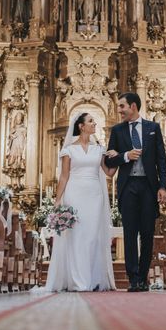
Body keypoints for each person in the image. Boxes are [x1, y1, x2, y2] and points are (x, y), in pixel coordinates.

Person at [44, 112, 118, 292]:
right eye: (91, 121)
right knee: (76, 237)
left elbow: (108, 173)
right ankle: (77, 281)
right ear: (81, 126)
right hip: (74, 194)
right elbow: (64, 176)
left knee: (92, 237)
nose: (95, 124)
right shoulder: (68, 150)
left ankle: (91, 280)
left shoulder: (99, 149)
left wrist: (117, 158)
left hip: (94, 195)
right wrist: (58, 200)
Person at [105, 92, 166, 292]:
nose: (119, 110)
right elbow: (109, 160)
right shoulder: (117, 131)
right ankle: (133, 279)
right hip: (128, 186)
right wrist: (125, 156)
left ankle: (143, 276)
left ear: (133, 106)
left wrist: (163, 186)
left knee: (147, 233)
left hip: (149, 186)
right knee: (130, 233)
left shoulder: (153, 128)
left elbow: (161, 159)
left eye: (122, 106)